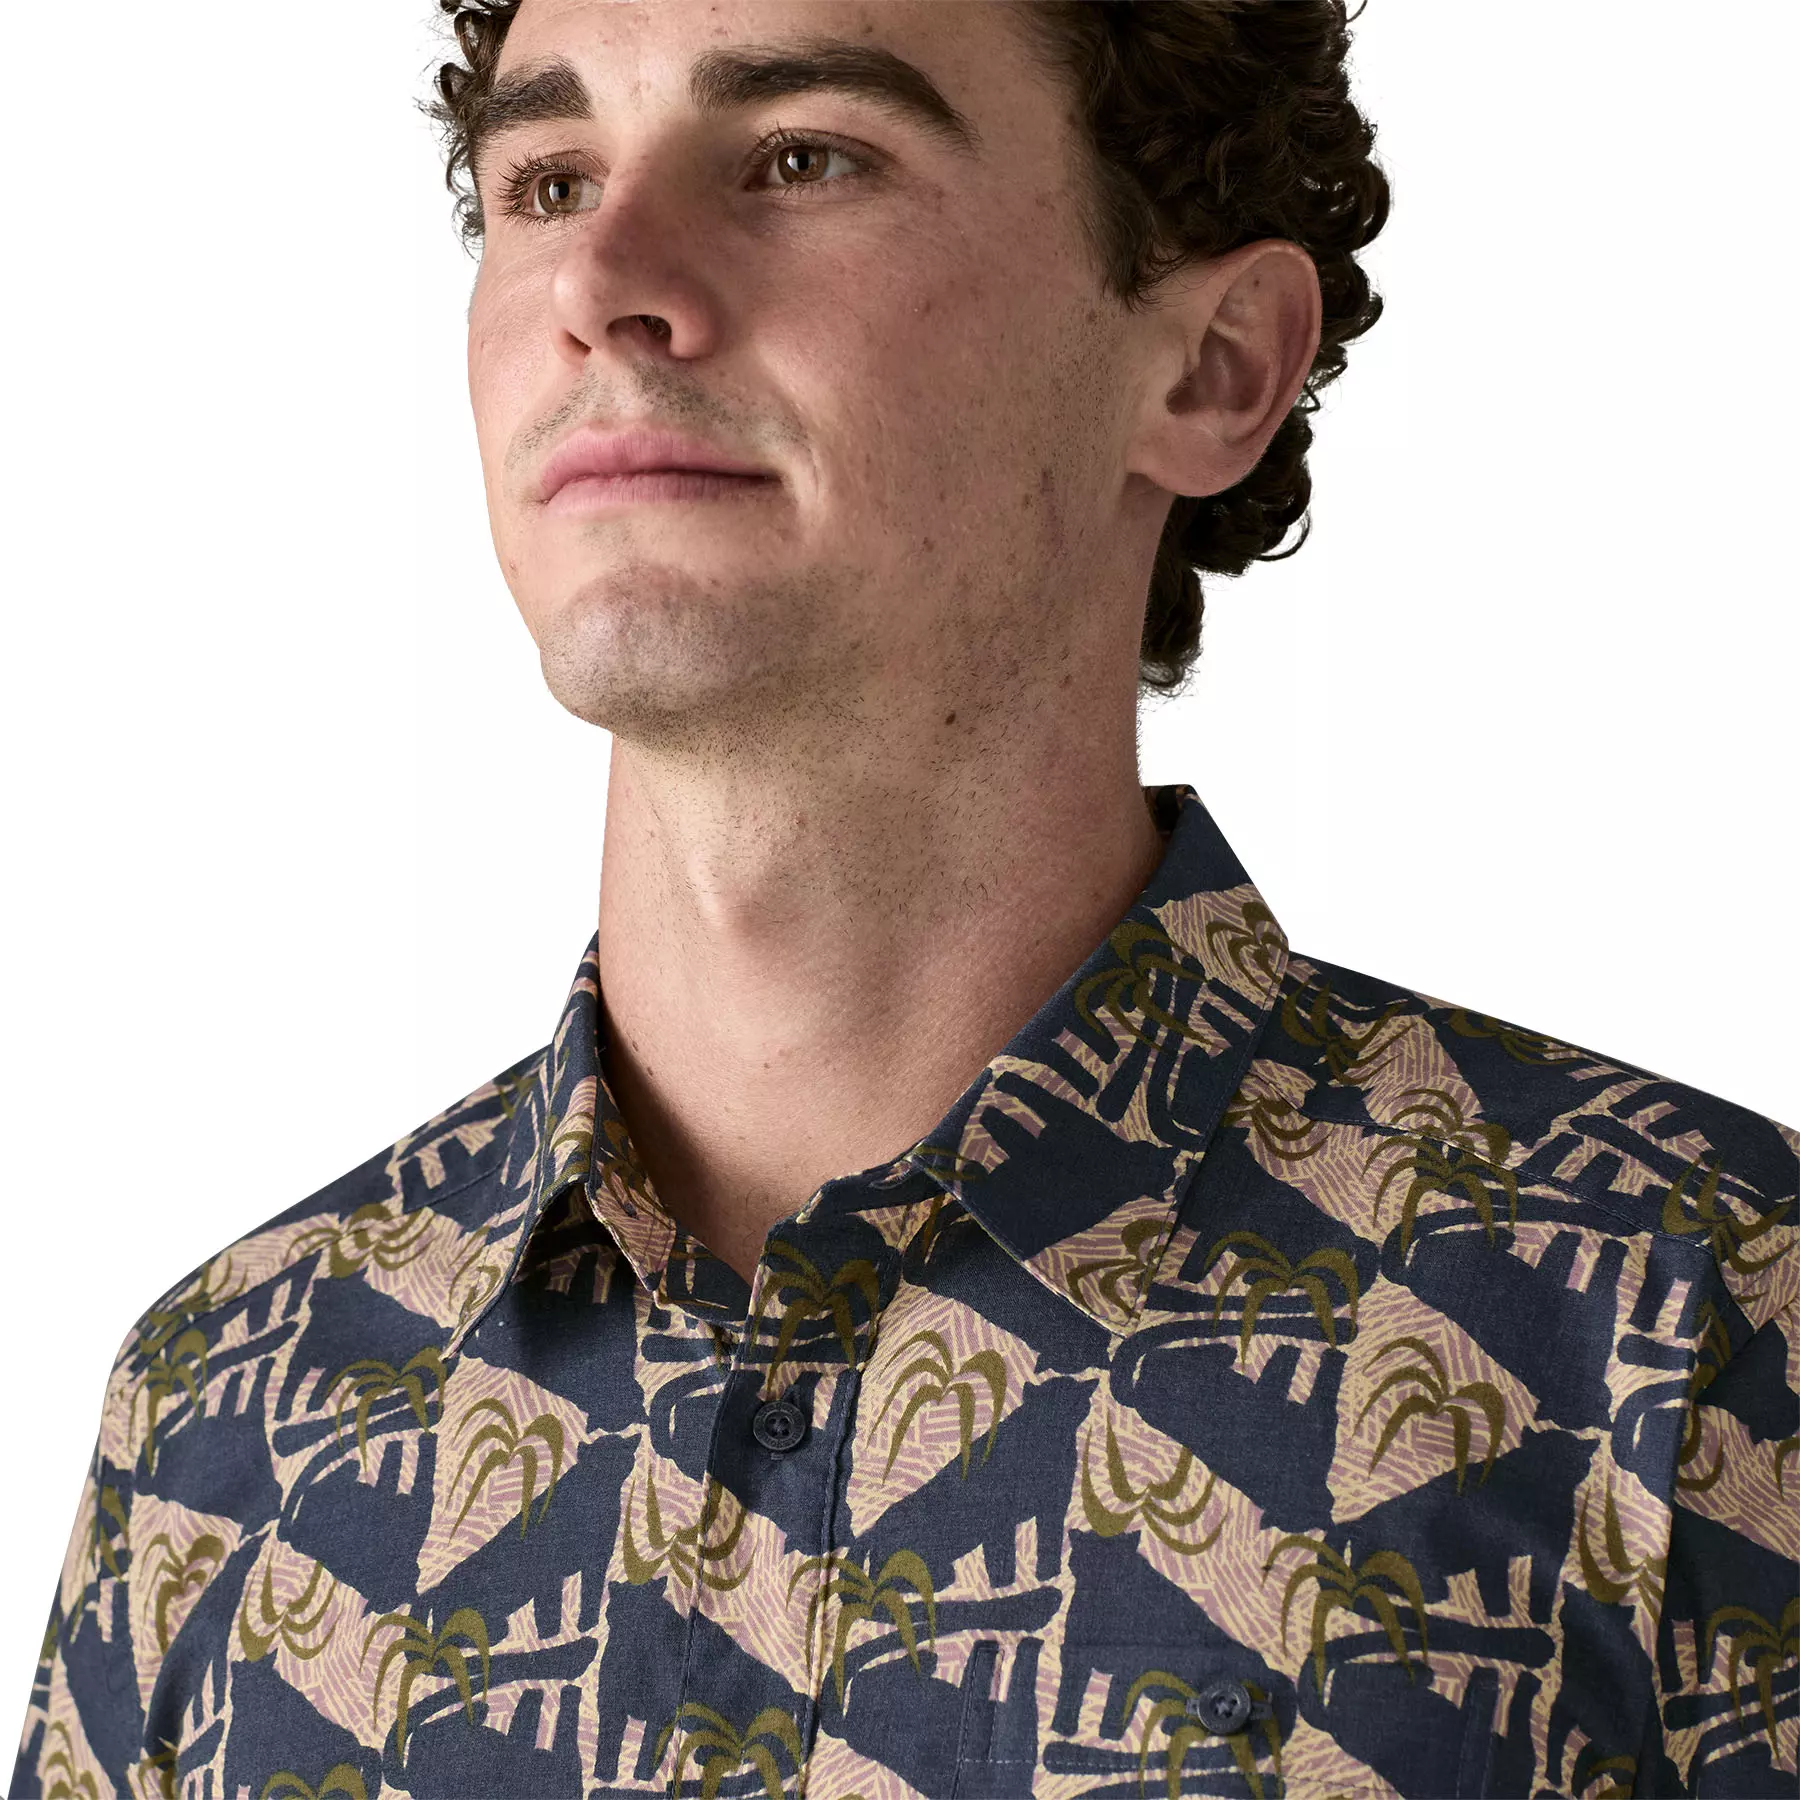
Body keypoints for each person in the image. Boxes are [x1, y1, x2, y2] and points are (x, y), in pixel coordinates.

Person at [13, 2, 1795, 1796]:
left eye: (802, 158)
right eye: (547, 183)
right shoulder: (227, 1423)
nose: (603, 282)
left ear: (1210, 368)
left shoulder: (1684, 1328)